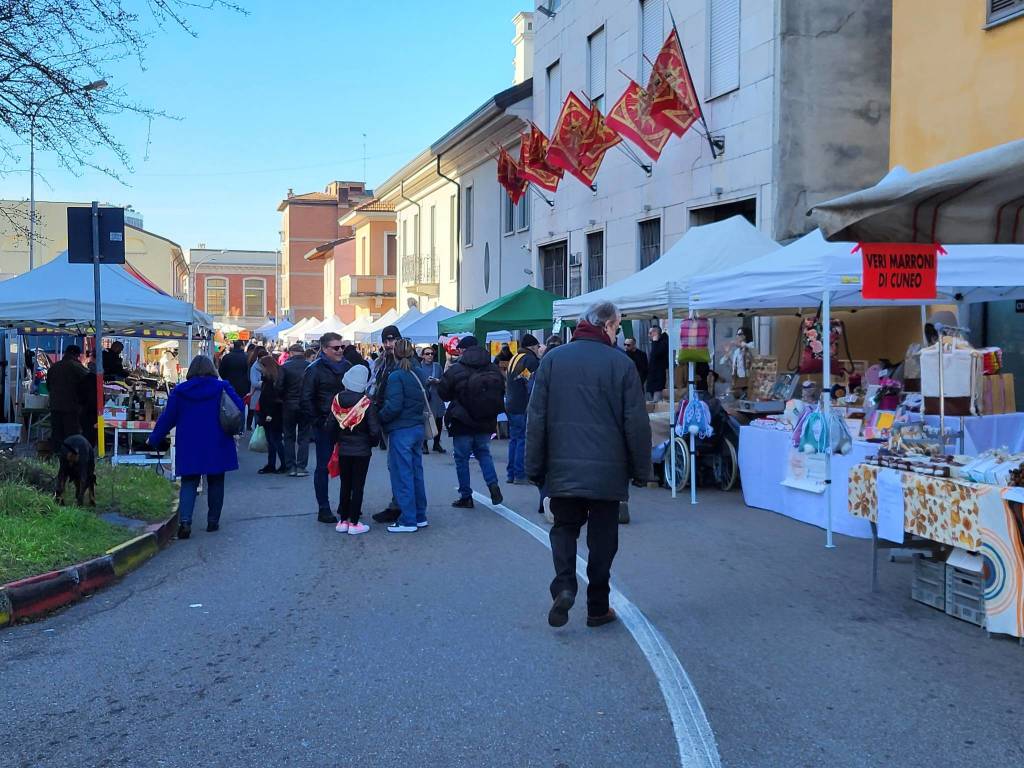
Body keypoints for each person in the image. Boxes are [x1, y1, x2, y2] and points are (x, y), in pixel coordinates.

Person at [526, 301, 651, 629]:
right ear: (608, 326)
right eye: (618, 326)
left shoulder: (553, 360)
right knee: (603, 538)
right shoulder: (621, 364)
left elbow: (536, 418)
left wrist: (534, 466)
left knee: (564, 528)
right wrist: (641, 470)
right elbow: (635, 421)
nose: (618, 332)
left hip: (562, 466)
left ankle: (565, 584)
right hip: (607, 471)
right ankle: (597, 606)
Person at [147, 356, 244, 539]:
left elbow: (168, 417)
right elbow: (238, 408)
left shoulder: (180, 391)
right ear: (212, 369)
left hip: (190, 441)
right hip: (218, 440)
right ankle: (213, 521)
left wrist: (154, 438)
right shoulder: (222, 387)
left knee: (189, 482)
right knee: (216, 481)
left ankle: (185, 522)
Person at [437, 335, 505, 508]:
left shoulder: (456, 368)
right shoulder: (492, 367)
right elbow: (501, 391)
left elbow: (443, 393)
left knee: (462, 459)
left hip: (462, 421)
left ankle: (466, 496)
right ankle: (493, 485)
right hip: (485, 420)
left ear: (462, 350)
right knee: (484, 454)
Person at [377, 339, 428, 533]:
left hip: (401, 429)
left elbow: (394, 406)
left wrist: (379, 417)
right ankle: (419, 515)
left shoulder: (396, 376)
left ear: (395, 354)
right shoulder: (419, 373)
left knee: (402, 475)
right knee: (416, 473)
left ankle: (408, 520)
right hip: (417, 426)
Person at [301, 332, 351, 523]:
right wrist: (318, 421)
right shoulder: (314, 369)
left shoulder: (347, 366)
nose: (340, 350)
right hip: (324, 424)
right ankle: (323, 507)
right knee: (323, 467)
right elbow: (306, 398)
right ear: (324, 348)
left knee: (349, 465)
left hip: (347, 423)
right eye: (336, 347)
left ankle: (345, 503)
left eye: (342, 347)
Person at [330, 364, 380, 535]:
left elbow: (330, 425)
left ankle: (343, 520)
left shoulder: (337, 400)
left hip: (343, 448)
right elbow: (374, 431)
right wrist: (371, 443)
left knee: (345, 484)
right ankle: (355, 522)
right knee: (358, 486)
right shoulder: (366, 403)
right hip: (362, 450)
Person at [370, 325, 404, 524]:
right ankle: (400, 504)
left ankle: (401, 507)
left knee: (401, 466)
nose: (389, 344)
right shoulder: (381, 362)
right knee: (396, 466)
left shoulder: (405, 362)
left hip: (400, 420)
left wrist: (382, 415)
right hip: (388, 419)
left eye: (392, 340)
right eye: (386, 341)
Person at [505, 333, 541, 484]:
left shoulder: (515, 357)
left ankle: (511, 473)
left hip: (511, 403)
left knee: (514, 439)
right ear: (532, 347)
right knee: (522, 439)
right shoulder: (530, 360)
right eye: (538, 347)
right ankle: (520, 474)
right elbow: (531, 384)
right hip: (522, 404)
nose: (539, 349)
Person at [46, 345, 88, 450]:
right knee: (72, 433)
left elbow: (48, 386)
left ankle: (56, 454)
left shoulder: (54, 367)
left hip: (55, 405)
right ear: (77, 355)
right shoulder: (77, 367)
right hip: (71, 405)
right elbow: (89, 380)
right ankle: (71, 455)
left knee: (57, 432)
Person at [280, 343, 311, 477]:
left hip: (289, 405)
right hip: (305, 405)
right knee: (304, 436)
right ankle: (302, 466)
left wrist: (283, 398)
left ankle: (291, 466)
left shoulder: (285, 367)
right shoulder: (309, 367)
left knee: (289, 436)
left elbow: (279, 386)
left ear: (291, 353)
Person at [256, 354, 286, 475]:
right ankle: (273, 464)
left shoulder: (271, 381)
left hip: (272, 414)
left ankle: (282, 464)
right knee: (272, 440)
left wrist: (269, 414)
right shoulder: (271, 379)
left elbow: (271, 398)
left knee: (275, 440)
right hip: (271, 413)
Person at [418, 345, 446, 453]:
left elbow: (443, 378)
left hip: (437, 397)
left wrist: (438, 381)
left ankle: (436, 443)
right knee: (426, 421)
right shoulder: (419, 367)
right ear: (423, 356)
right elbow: (418, 382)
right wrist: (427, 382)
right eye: (427, 354)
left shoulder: (437, 366)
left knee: (438, 420)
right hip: (426, 398)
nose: (430, 356)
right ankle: (424, 444)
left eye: (431, 354)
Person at [720, 328, 753, 398]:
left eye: (740, 334)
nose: (737, 336)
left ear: (745, 336)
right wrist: (727, 354)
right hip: (738, 381)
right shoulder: (736, 352)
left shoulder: (750, 346)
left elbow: (749, 347)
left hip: (749, 380)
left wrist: (740, 344)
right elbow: (732, 366)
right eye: (737, 334)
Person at [218, 340, 251, 407]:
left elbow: (221, 371)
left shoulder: (227, 357)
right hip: (243, 387)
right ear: (242, 346)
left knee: (229, 408)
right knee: (241, 406)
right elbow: (249, 372)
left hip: (229, 385)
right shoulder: (247, 357)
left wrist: (226, 379)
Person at [247, 346, 269, 431]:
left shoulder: (267, 365)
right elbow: (254, 382)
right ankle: (258, 438)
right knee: (258, 418)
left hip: (266, 396)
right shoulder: (255, 367)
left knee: (263, 417)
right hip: (257, 395)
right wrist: (266, 384)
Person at [646, 325, 668, 402]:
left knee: (656, 403)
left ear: (655, 333)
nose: (649, 335)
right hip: (651, 379)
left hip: (658, 380)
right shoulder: (654, 344)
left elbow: (656, 354)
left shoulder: (662, 343)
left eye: (650, 333)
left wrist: (655, 341)